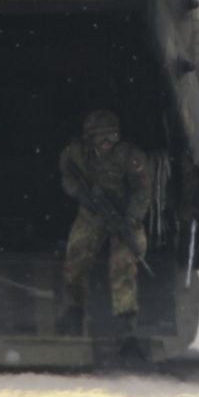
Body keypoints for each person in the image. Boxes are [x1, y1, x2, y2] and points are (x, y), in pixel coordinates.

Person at [57, 109, 152, 354]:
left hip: (124, 216)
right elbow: (67, 175)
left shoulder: (130, 157)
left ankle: (126, 326)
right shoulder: (77, 154)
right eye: (101, 137)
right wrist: (80, 194)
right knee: (76, 256)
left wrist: (130, 219)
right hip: (91, 214)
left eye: (112, 136)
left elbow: (142, 192)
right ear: (90, 138)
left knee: (124, 263)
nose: (107, 142)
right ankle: (74, 310)